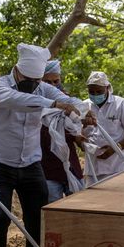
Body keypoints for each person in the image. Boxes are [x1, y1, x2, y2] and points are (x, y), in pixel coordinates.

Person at [0, 44, 81, 247]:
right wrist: (54, 104)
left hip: (31, 164)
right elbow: (20, 101)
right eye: (29, 80)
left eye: (37, 80)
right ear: (17, 71)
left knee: (36, 220)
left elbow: (67, 99)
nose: (33, 84)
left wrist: (83, 110)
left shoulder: (42, 87)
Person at [40, 60, 85, 202]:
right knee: (53, 211)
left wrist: (79, 137)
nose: (53, 86)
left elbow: (75, 127)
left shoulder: (67, 102)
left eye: (56, 81)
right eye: (47, 82)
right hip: (47, 169)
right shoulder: (35, 103)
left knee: (79, 208)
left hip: (70, 166)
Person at [84, 72, 124, 180]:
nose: (95, 95)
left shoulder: (121, 105)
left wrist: (115, 148)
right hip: (93, 169)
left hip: (118, 168)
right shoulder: (84, 106)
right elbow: (76, 133)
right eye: (91, 92)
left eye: (99, 91)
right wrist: (83, 125)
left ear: (107, 88)